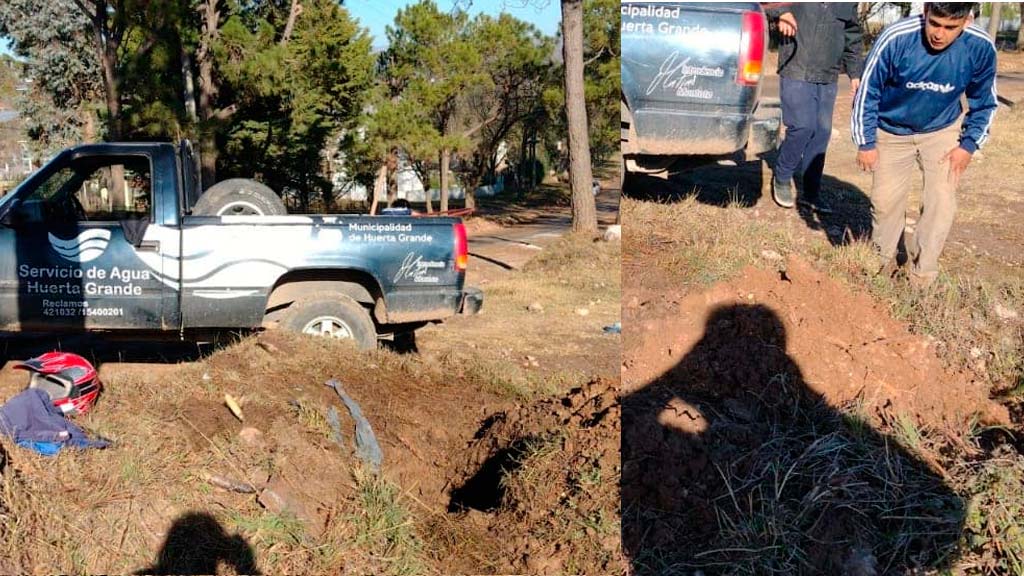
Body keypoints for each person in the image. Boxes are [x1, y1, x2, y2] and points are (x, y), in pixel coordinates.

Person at [851, 2, 996, 287]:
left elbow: (985, 102)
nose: (939, 34)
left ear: (966, 22)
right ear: (925, 11)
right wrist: (866, 142)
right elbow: (868, 92)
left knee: (941, 202)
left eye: (950, 28)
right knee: (884, 203)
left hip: (942, 130)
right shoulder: (896, 38)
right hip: (891, 131)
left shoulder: (979, 47)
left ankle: (922, 276)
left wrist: (968, 145)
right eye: (934, 23)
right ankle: (881, 265)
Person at [768, 3, 864, 210]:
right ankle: (783, 176)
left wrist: (856, 72)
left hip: (828, 73)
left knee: (821, 132)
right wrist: (781, 12)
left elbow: (853, 35)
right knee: (803, 126)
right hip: (797, 66)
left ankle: (811, 192)